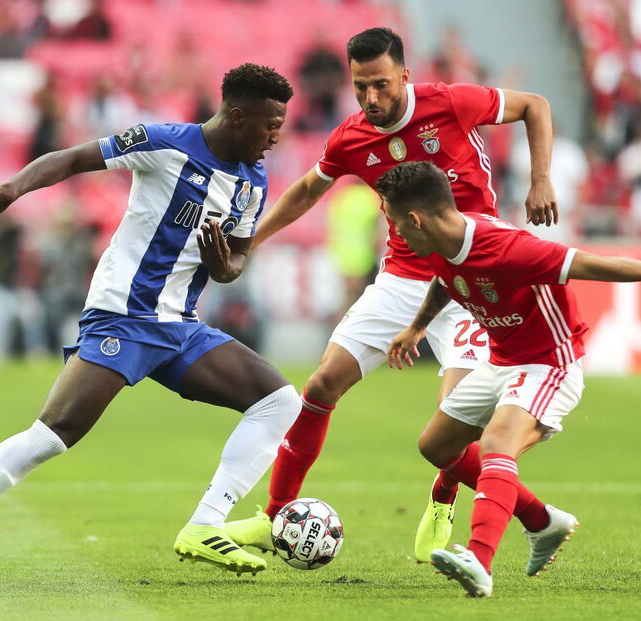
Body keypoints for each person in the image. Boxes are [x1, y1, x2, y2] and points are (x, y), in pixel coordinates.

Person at [0, 63, 298, 583]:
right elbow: (73, 158)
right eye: (271, 124)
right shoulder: (163, 142)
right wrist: (14, 189)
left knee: (279, 401)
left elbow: (236, 259)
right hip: (123, 317)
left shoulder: (252, 181)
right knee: (53, 434)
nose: (277, 137)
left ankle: (204, 525)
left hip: (181, 326)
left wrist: (225, 269)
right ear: (239, 117)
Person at [225, 27, 559, 564]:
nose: (372, 100)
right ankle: (274, 516)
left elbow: (536, 106)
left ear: (405, 74)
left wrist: (540, 178)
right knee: (320, 384)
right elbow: (310, 188)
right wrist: (252, 242)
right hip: (403, 279)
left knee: (451, 427)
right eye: (361, 88)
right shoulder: (352, 137)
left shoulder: (451, 102)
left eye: (381, 85)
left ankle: (450, 497)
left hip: (471, 280)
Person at [379, 160, 641, 597]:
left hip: (550, 362)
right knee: (437, 446)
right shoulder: (441, 243)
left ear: (416, 219)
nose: (396, 234)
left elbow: (590, 264)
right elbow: (446, 278)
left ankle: (478, 560)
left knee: (498, 442)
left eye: (396, 222)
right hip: (501, 361)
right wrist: (419, 325)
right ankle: (541, 522)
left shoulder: (507, 247)